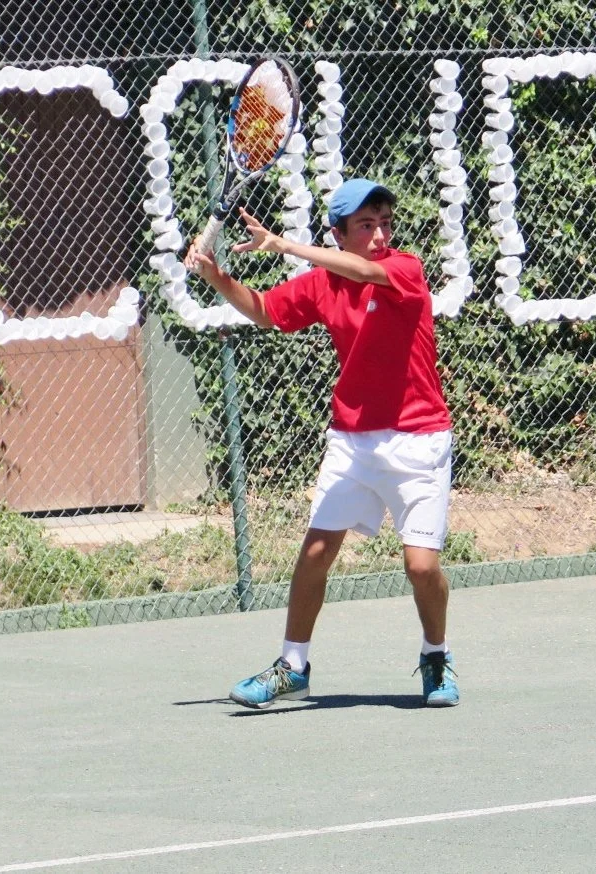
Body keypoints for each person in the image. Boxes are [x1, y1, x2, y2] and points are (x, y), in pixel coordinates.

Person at [184, 179, 459, 708]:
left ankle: (435, 655)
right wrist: (215, 275)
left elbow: (367, 271)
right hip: (352, 441)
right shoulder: (322, 284)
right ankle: (293, 665)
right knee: (314, 552)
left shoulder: (405, 268)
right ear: (339, 233)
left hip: (419, 440)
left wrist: (284, 245)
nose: (379, 235)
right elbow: (266, 310)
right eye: (365, 225)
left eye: (383, 224)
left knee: (422, 568)